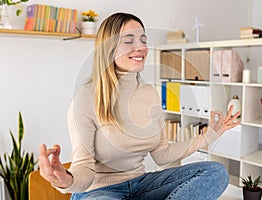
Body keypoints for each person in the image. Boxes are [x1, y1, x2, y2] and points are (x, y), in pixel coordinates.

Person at [39, 12, 240, 200]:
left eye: (143, 40)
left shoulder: (149, 94)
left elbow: (162, 154)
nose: (141, 47)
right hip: (99, 191)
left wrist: (210, 135)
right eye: (129, 41)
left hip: (142, 185)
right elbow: (84, 169)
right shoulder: (86, 98)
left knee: (216, 172)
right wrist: (66, 180)